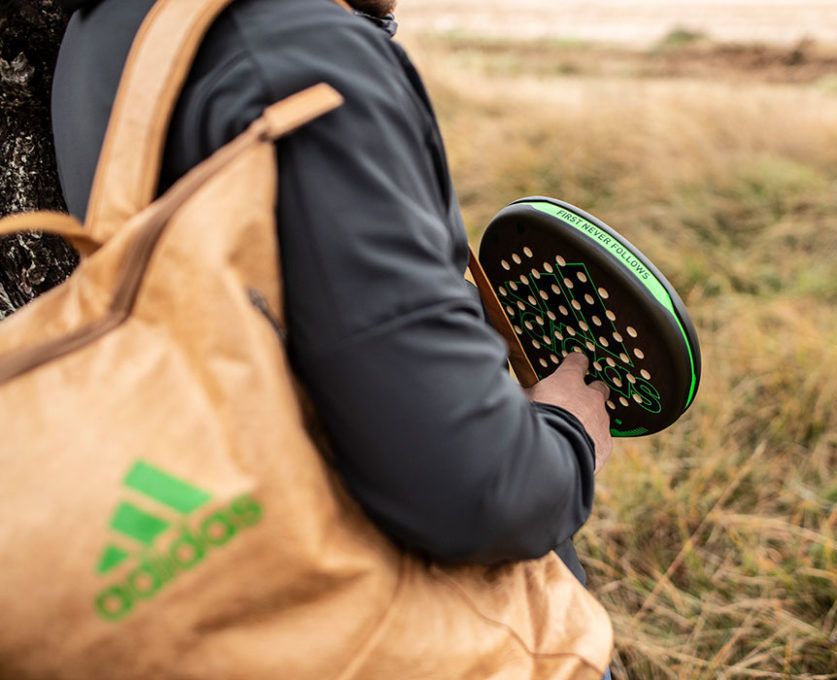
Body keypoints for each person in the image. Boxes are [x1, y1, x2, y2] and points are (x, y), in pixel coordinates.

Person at [52, 0, 612, 610]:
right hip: (372, 608)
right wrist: (569, 434)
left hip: (236, 566)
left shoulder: (110, 29)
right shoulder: (304, 60)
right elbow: (474, 492)